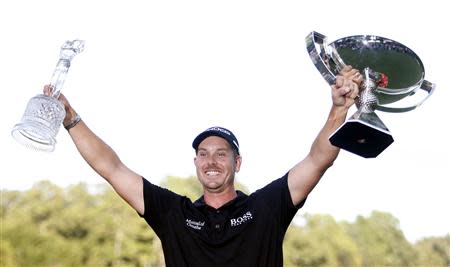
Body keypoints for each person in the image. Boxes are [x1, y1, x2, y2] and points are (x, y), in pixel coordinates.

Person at [44, 65, 362, 267]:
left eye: (221, 154)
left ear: (237, 162)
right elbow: (111, 167)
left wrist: (338, 111)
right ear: (196, 163)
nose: (211, 161)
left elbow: (319, 159)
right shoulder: (174, 214)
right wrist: (72, 120)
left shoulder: (267, 207)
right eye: (204, 154)